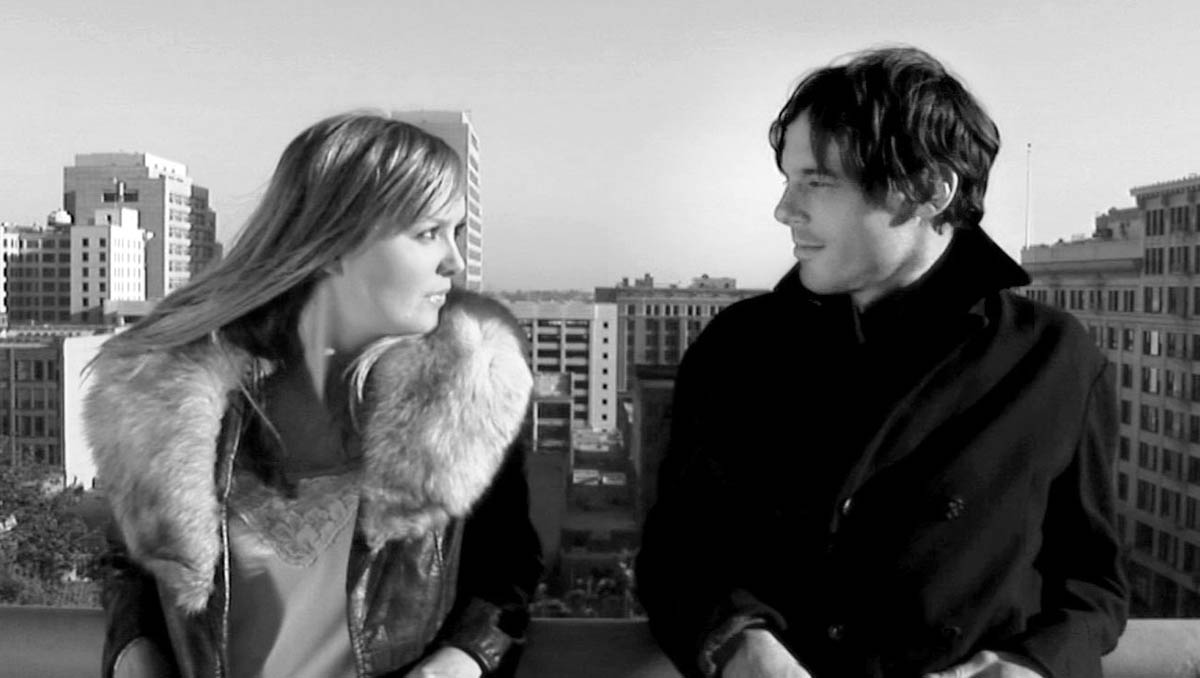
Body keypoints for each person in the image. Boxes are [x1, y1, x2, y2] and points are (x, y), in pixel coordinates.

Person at [636, 47, 1127, 678]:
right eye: (788, 180)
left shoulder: (1051, 357)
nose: (784, 210)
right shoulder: (739, 347)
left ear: (927, 190)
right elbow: (675, 554)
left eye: (817, 182)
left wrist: (1031, 666)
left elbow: (1092, 583)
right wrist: (738, 642)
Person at [86, 112, 542, 678]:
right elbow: (133, 562)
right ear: (333, 244)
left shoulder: (468, 395)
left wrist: (456, 665)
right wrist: (135, 652)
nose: (454, 260)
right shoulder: (169, 396)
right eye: (428, 233)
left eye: (456, 233)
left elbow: (505, 577)